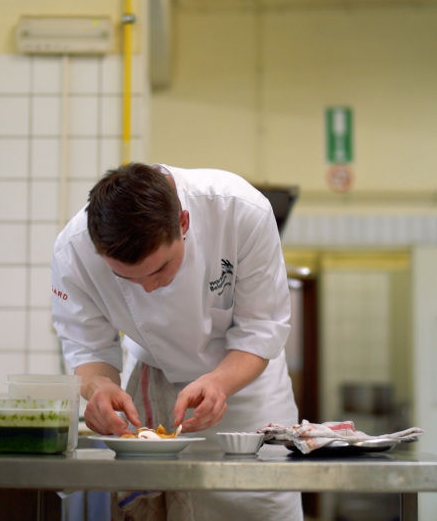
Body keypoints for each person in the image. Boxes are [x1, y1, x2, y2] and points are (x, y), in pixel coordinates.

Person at [50, 163, 302, 520]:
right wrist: (99, 387)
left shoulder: (240, 210)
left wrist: (218, 383)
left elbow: (261, 327)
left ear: (183, 223)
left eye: (159, 270)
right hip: (155, 384)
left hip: (246, 393)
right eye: (128, 279)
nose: (149, 287)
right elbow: (87, 347)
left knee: (257, 504)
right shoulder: (72, 252)